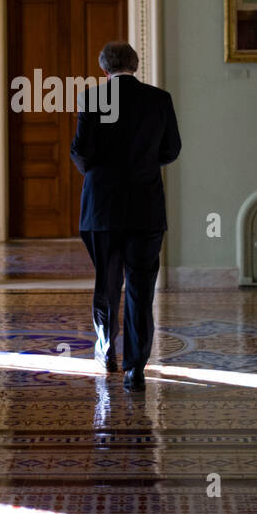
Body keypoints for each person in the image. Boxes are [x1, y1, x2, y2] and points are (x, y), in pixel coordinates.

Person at [70, 41, 181, 393]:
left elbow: (80, 153)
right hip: (146, 208)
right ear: (135, 65)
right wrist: (144, 165)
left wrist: (98, 172)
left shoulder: (92, 98)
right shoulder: (159, 99)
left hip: (101, 209)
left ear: (104, 70)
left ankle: (106, 351)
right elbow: (172, 150)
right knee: (140, 288)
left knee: (107, 283)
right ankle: (136, 369)